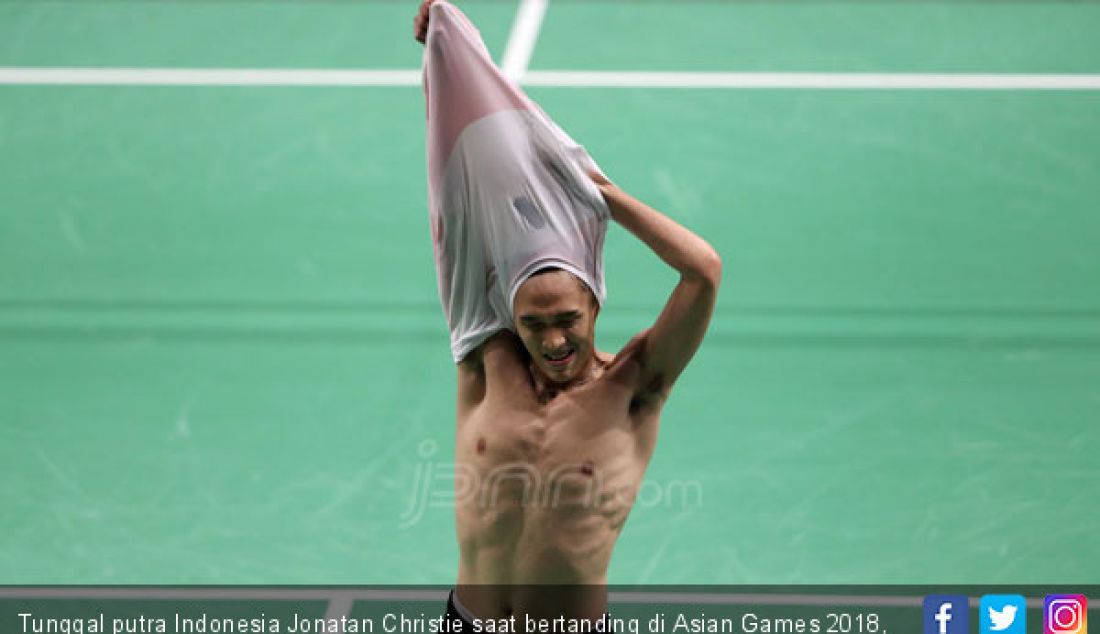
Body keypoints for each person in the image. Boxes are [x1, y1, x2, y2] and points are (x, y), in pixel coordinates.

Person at [414, 0, 722, 625]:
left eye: (566, 320)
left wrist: (602, 197)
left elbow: (702, 271)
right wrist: (449, 45)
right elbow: (461, 209)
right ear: (509, 318)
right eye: (533, 324)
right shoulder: (484, 363)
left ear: (593, 304)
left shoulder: (637, 387)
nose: (552, 339)